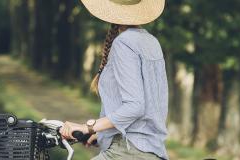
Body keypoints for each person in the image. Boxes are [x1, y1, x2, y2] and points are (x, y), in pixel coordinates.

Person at [58, 0, 168, 159]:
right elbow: (150, 107)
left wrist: (87, 128)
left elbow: (135, 106)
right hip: (152, 150)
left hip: (128, 151)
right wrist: (102, 134)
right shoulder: (151, 42)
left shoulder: (124, 42)